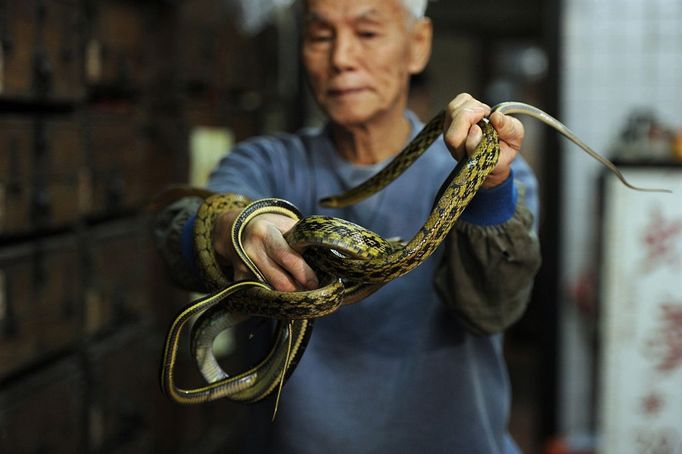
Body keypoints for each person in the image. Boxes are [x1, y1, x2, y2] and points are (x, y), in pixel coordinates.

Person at [153, 0, 542, 452]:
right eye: (320, 36)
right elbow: (172, 233)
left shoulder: (487, 175)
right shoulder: (265, 163)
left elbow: (494, 309)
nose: (340, 58)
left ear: (417, 45)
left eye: (368, 33)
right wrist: (236, 227)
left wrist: (488, 189)